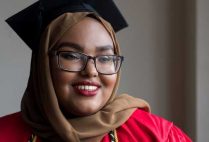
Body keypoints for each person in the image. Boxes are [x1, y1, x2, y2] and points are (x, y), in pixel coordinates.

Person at [0, 0, 192, 142]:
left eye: (106, 58)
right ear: (43, 65)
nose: (91, 71)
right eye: (72, 56)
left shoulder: (157, 136)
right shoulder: (4, 135)